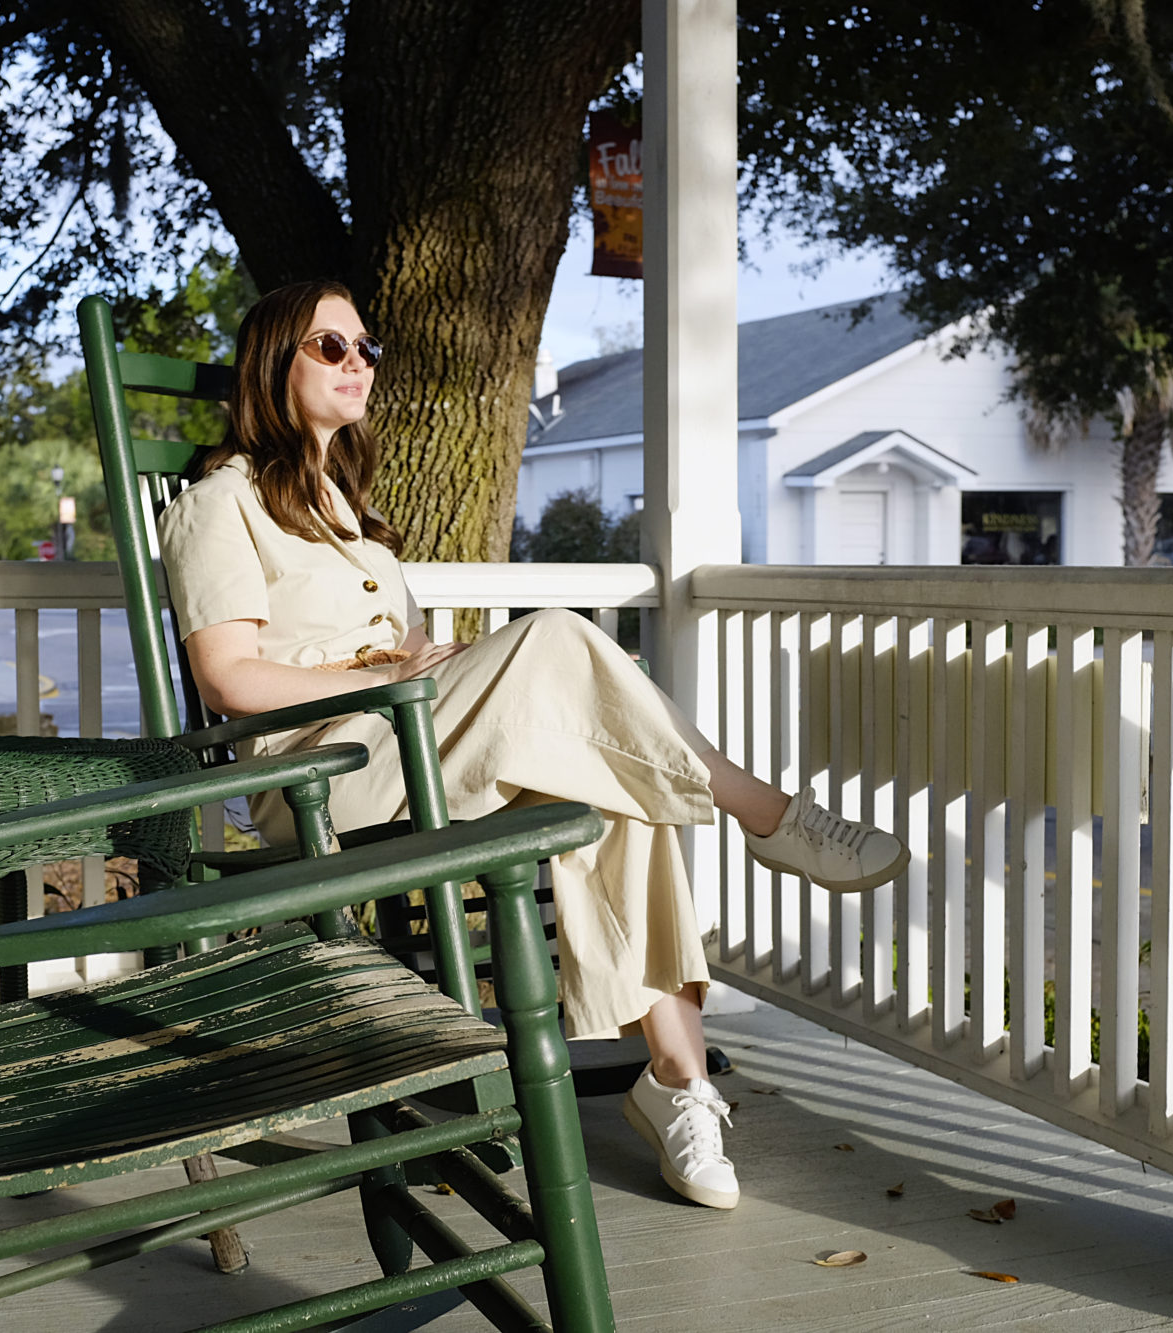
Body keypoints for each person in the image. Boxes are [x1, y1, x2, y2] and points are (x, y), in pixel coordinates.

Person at [160, 280, 908, 1212]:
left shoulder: (351, 517)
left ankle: (676, 1082)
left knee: (611, 788)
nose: (358, 364)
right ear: (275, 362)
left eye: (365, 349)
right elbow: (233, 679)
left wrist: (418, 668)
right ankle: (771, 815)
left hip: (411, 744)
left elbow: (405, 665)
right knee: (557, 635)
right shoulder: (215, 503)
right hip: (321, 775)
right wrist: (388, 677)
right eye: (330, 347)